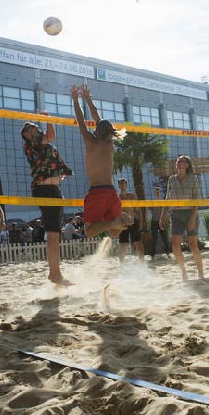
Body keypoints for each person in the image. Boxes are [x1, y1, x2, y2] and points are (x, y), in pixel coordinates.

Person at [70, 84, 132, 238]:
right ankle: (122, 218)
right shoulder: (110, 144)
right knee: (114, 235)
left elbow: (81, 121)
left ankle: (114, 222)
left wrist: (76, 101)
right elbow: (99, 119)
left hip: (97, 192)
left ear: (97, 132)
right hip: (112, 193)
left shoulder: (91, 142)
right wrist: (88, 99)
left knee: (89, 231)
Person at [21, 118, 73, 286]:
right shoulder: (31, 144)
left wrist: (46, 119)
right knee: (52, 233)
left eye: (34, 125)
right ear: (26, 134)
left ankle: (56, 273)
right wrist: (48, 118)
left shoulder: (42, 142)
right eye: (30, 127)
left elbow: (50, 137)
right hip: (44, 190)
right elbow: (51, 135)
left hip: (54, 191)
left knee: (55, 233)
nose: (34, 126)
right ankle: (55, 274)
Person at [160, 155, 204, 280]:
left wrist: (193, 217)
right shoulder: (171, 179)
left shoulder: (193, 178)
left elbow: (196, 199)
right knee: (175, 246)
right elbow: (167, 199)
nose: (178, 162)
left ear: (187, 165)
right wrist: (163, 216)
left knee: (193, 245)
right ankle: (184, 272)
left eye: (182, 161)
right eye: (178, 161)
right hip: (176, 215)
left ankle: (201, 272)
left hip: (191, 213)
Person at [117, 178, 146, 262]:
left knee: (138, 242)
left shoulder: (132, 196)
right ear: (118, 186)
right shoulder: (117, 198)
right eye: (120, 184)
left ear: (126, 185)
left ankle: (142, 262)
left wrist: (141, 222)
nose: (122, 185)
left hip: (133, 221)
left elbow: (138, 210)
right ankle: (121, 264)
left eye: (123, 183)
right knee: (123, 244)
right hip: (123, 223)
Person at [148, 185, 171, 260]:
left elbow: (166, 212)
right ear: (154, 193)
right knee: (154, 238)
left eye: (159, 191)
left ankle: (167, 253)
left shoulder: (163, 202)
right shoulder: (152, 202)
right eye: (156, 191)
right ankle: (152, 255)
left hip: (162, 222)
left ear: (160, 193)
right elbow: (147, 210)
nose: (157, 193)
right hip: (154, 221)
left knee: (165, 238)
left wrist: (168, 221)